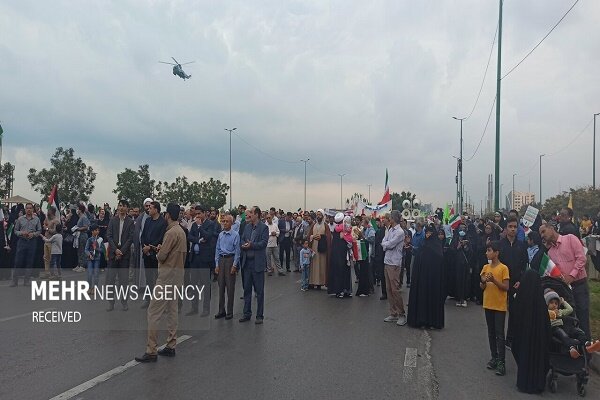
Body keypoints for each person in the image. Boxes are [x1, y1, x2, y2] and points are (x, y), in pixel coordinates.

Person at [135, 203, 187, 363]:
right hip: (177, 276)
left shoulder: (171, 233)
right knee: (172, 312)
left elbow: (162, 256)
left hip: (166, 277)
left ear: (168, 215)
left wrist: (158, 252)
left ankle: (151, 350)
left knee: (153, 312)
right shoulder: (182, 232)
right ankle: (171, 345)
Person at [539, 222, 590, 340]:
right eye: (540, 235)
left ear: (551, 228)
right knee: (570, 318)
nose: (542, 236)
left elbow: (582, 258)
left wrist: (571, 276)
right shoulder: (550, 252)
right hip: (565, 289)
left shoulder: (570, 239)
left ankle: (587, 348)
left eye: (543, 232)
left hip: (579, 284)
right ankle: (575, 347)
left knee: (583, 317)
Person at [510, 268, 550, 394]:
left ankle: (524, 382)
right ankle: (537, 383)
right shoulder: (542, 306)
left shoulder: (520, 302)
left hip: (523, 343)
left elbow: (514, 325)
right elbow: (548, 330)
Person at [479, 241, 510, 376]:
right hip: (488, 303)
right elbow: (482, 286)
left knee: (499, 334)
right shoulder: (486, 267)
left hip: (499, 305)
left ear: (496, 253)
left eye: (489, 250)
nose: (487, 253)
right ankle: (494, 357)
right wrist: (484, 281)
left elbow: (506, 287)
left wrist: (494, 281)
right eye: (487, 250)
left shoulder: (503, 268)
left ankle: (502, 362)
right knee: (491, 332)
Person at [407, 224, 445, 329]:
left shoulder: (437, 246)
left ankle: (433, 322)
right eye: (427, 232)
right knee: (422, 297)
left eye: (430, 233)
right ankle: (421, 320)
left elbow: (439, 259)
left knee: (432, 299)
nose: (428, 235)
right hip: (423, 279)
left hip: (433, 280)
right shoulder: (423, 245)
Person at [186, 205, 217, 316]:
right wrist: (198, 240)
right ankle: (194, 307)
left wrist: (200, 228)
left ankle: (206, 308)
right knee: (193, 284)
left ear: (204, 213)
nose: (197, 216)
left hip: (205, 258)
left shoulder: (210, 224)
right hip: (195, 258)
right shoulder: (194, 225)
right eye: (196, 214)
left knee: (205, 284)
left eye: (199, 213)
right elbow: (189, 237)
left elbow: (208, 237)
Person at [239, 206, 268, 324]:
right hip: (247, 263)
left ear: (256, 214)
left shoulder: (264, 228)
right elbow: (242, 239)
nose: (249, 215)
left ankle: (259, 316)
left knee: (259, 291)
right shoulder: (246, 227)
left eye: (251, 212)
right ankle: (247, 313)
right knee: (247, 290)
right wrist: (243, 245)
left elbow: (263, 243)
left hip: (257, 264)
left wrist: (252, 245)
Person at [544, 289, 591, 359]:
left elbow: (570, 310)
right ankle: (571, 348)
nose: (554, 305)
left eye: (556, 303)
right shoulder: (545, 312)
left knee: (578, 332)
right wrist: (553, 313)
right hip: (554, 328)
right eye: (551, 303)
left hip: (564, 326)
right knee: (564, 336)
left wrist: (563, 302)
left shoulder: (559, 311)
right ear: (546, 304)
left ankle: (586, 343)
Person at [106, 199, 134, 311]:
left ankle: (124, 302)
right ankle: (111, 303)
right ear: (117, 207)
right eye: (120, 206)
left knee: (124, 281)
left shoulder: (130, 222)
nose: (121, 208)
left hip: (124, 255)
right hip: (113, 255)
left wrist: (121, 251)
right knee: (110, 280)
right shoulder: (112, 220)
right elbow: (109, 236)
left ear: (127, 208)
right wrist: (115, 250)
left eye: (124, 206)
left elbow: (130, 238)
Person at [381, 211, 407, 326]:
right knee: (388, 289)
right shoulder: (390, 230)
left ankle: (402, 314)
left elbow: (390, 244)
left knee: (395, 289)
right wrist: (386, 244)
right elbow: (384, 242)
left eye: (390, 217)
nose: (388, 219)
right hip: (387, 261)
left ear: (393, 219)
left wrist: (386, 244)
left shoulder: (400, 232)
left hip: (394, 263)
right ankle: (393, 313)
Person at [140, 201, 167, 309]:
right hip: (147, 254)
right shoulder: (147, 221)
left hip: (156, 255)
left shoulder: (162, 222)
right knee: (148, 278)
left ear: (156, 209)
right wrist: (144, 247)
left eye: (150, 208)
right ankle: (149, 299)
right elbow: (143, 236)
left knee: (157, 279)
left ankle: (159, 302)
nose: (148, 209)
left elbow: (161, 238)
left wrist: (150, 247)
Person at [214, 214, 240, 320]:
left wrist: (234, 265)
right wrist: (216, 264)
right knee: (221, 288)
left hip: (230, 260)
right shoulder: (220, 235)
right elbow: (217, 250)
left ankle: (230, 311)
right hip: (221, 260)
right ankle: (221, 310)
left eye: (227, 221)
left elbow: (238, 252)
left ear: (231, 223)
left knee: (230, 288)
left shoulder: (235, 235)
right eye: (223, 221)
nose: (224, 223)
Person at [10, 203, 41, 287]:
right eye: (27, 208)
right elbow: (15, 230)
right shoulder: (20, 219)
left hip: (32, 242)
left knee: (29, 261)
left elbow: (39, 230)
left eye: (30, 208)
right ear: (25, 209)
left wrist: (33, 234)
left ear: (33, 209)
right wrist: (21, 233)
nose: (29, 210)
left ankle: (26, 280)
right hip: (22, 241)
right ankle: (14, 281)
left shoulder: (36, 219)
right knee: (18, 261)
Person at [328, 212, 353, 298]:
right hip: (340, 255)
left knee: (345, 271)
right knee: (340, 271)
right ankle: (340, 290)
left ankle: (346, 290)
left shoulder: (345, 230)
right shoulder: (337, 230)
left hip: (344, 254)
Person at [307, 209, 331, 290]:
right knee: (314, 265)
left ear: (323, 216)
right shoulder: (313, 225)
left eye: (320, 215)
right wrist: (312, 237)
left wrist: (322, 237)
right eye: (317, 215)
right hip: (314, 247)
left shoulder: (325, 225)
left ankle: (321, 282)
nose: (318, 216)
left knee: (322, 265)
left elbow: (329, 237)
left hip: (322, 248)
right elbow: (309, 236)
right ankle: (313, 281)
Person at [450, 223, 472, 307]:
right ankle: (458, 298)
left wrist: (465, 246)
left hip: (465, 265)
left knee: (465, 281)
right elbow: (451, 251)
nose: (462, 230)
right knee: (458, 281)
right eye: (461, 228)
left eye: (464, 228)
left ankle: (464, 298)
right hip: (457, 264)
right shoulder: (455, 239)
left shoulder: (468, 239)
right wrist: (458, 247)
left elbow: (471, 252)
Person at [84, 224, 104, 295]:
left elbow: (102, 250)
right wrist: (89, 254)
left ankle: (95, 288)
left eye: (98, 230)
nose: (97, 231)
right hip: (90, 259)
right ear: (92, 231)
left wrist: (97, 249)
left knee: (96, 274)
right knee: (89, 273)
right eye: (96, 230)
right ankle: (89, 287)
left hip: (97, 259)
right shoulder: (89, 240)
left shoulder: (100, 239)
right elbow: (86, 249)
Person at [41, 206, 60, 279]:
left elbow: (56, 231)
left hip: (52, 241)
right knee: (46, 257)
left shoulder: (56, 221)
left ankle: (54, 274)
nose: (47, 212)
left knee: (52, 258)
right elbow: (44, 224)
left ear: (52, 211)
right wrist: (45, 226)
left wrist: (47, 229)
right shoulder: (47, 218)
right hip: (46, 240)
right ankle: (47, 273)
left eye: (48, 210)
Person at [74, 204, 90, 273]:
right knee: (79, 250)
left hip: (83, 235)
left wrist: (78, 229)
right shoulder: (80, 217)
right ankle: (79, 264)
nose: (77, 210)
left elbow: (86, 227)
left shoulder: (84, 217)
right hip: (79, 235)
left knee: (83, 250)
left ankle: (83, 266)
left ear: (80, 210)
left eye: (78, 209)